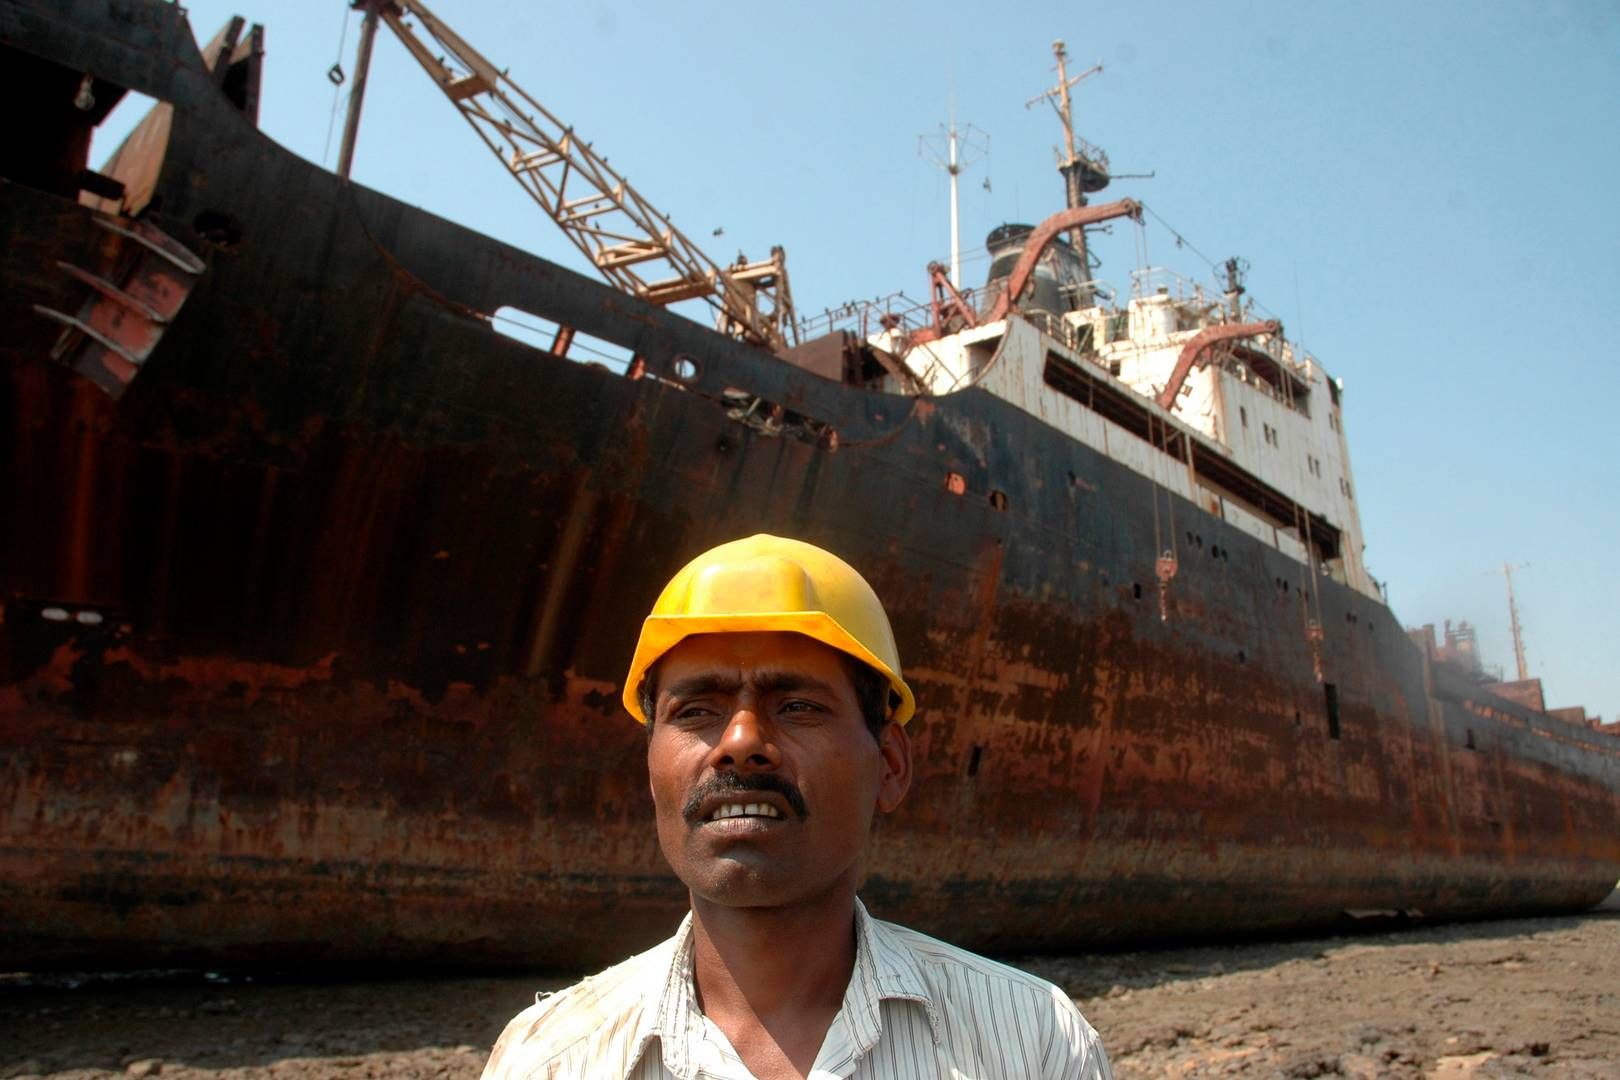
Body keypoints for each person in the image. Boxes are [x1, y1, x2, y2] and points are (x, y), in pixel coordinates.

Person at [483, 534, 1112, 1080]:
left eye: (798, 706)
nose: (740, 743)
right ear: (650, 775)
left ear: (889, 765)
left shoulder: (1035, 1046)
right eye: (696, 710)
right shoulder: (547, 1061)